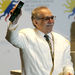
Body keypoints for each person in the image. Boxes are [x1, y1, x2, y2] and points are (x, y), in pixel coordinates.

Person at [6, 6, 74, 75]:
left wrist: (69, 72)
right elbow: (12, 38)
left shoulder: (63, 41)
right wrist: (14, 21)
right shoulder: (26, 35)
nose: (51, 21)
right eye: (46, 18)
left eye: (52, 18)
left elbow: (67, 64)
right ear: (35, 22)